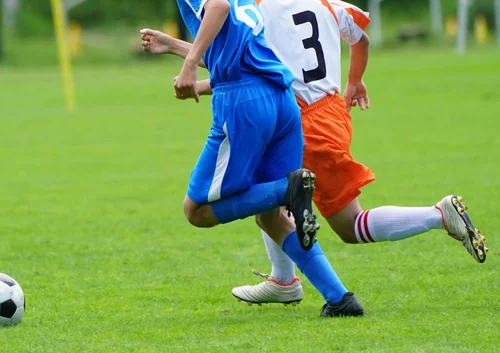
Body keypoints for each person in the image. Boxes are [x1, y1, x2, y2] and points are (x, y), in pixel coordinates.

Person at [142, 0, 488, 314]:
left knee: (345, 223)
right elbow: (361, 39)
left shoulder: (264, 9)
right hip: (331, 110)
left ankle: (437, 215)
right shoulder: (326, 2)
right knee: (266, 209)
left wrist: (194, 77)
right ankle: (285, 282)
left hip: (303, 113)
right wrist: (355, 82)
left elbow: (248, 58)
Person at [142, 0, 365, 317]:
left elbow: (217, 6)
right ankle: (340, 298)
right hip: (282, 99)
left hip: (244, 103)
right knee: (270, 216)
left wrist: (189, 62)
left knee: (196, 211)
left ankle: (288, 190)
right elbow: (229, 48)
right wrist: (173, 45)